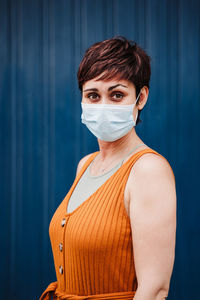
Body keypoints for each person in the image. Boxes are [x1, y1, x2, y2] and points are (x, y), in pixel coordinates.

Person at [39, 36, 177, 300]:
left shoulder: (148, 170)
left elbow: (155, 289)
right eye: (92, 95)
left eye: (117, 95)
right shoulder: (86, 164)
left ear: (141, 98)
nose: (103, 106)